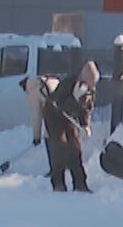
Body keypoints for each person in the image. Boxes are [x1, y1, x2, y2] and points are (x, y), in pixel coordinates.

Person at [43, 61, 100, 192]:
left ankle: (80, 184)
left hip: (69, 119)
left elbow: (86, 108)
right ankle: (58, 183)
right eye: (87, 83)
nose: (89, 87)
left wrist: (85, 125)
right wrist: (74, 98)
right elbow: (59, 104)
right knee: (60, 146)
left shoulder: (90, 90)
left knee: (75, 148)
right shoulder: (68, 84)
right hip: (54, 115)